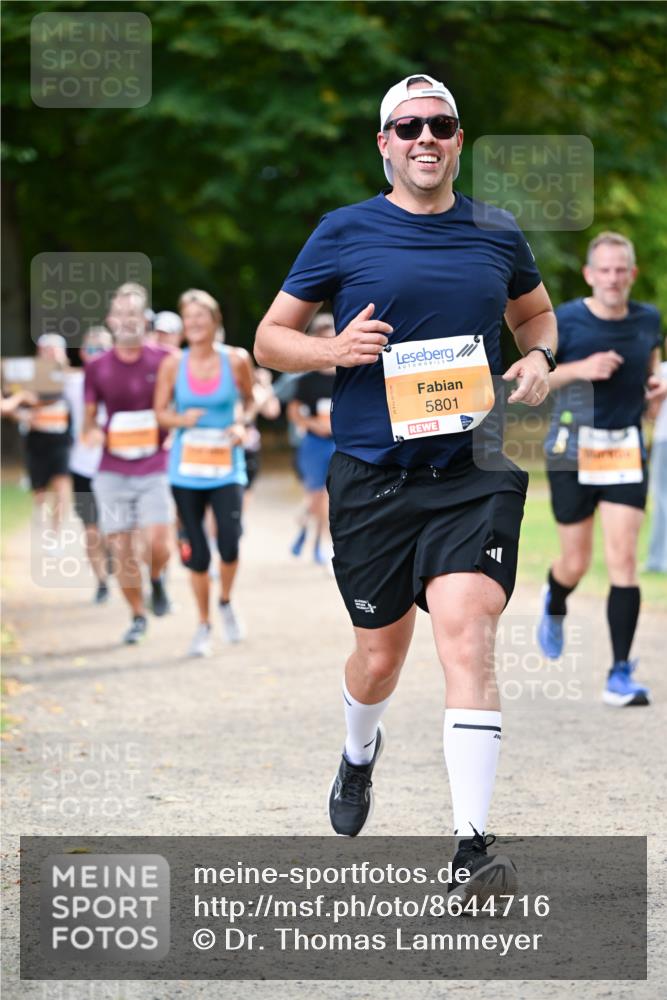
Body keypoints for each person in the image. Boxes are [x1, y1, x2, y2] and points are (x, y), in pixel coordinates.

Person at [256, 74, 557, 896]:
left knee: (466, 633)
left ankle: (470, 851)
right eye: (408, 126)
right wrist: (332, 353)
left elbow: (534, 316)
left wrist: (536, 357)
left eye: (441, 124)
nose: (425, 137)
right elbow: (269, 340)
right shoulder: (343, 231)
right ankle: (358, 752)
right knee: (378, 659)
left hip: (471, 473)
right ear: (384, 144)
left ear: (458, 140)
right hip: (371, 478)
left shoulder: (495, 231)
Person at [538, 232, 666, 705]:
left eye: (621, 270)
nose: (613, 278)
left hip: (624, 449)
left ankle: (619, 672)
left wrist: (654, 396)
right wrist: (581, 368)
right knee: (575, 562)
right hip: (572, 449)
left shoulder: (649, 319)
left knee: (624, 560)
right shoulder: (565, 320)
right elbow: (536, 380)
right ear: (591, 275)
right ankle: (554, 600)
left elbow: (650, 376)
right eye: (604, 270)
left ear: (631, 274)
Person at [154, 289, 254, 656]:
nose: (195, 323)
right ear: (183, 326)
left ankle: (225, 601)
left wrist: (242, 424)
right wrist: (181, 419)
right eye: (189, 317)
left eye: (202, 316)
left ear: (215, 321)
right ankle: (203, 624)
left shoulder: (236, 359)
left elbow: (250, 397)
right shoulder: (172, 364)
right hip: (186, 470)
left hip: (226, 467)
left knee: (229, 542)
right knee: (197, 552)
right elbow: (160, 411)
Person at [84, 284, 173, 645]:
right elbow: (89, 418)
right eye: (120, 314)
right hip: (112, 467)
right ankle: (138, 614)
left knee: (157, 543)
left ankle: (156, 579)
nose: (126, 321)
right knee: (120, 549)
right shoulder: (97, 367)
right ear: (110, 320)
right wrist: (91, 433)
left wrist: (170, 430)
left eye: (133, 314)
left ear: (144, 319)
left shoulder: (165, 359)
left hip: (154, 463)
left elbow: (176, 407)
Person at [64, 326, 113, 603]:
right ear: (82, 352)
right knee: (91, 529)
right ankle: (101, 582)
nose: (96, 354)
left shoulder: (122, 379)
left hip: (114, 466)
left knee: (117, 529)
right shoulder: (71, 382)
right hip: (81, 466)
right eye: (91, 348)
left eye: (102, 348)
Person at [286, 314, 336, 564]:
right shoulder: (307, 380)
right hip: (314, 445)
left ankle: (317, 541)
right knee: (315, 496)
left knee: (330, 496)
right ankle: (309, 532)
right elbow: (293, 411)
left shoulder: (348, 375)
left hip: (340, 443)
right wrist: (311, 425)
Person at [13, 334, 72, 539]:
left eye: (55, 350)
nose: (51, 354)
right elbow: (14, 404)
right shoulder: (29, 378)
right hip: (36, 439)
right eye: (47, 349)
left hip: (61, 439)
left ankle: (56, 533)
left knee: (62, 485)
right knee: (39, 489)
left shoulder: (70, 377)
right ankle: (42, 520)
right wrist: (23, 414)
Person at [646, 359, 667, 573]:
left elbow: (652, 412)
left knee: (661, 498)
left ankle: (658, 559)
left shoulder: (661, 371)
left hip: (664, 440)